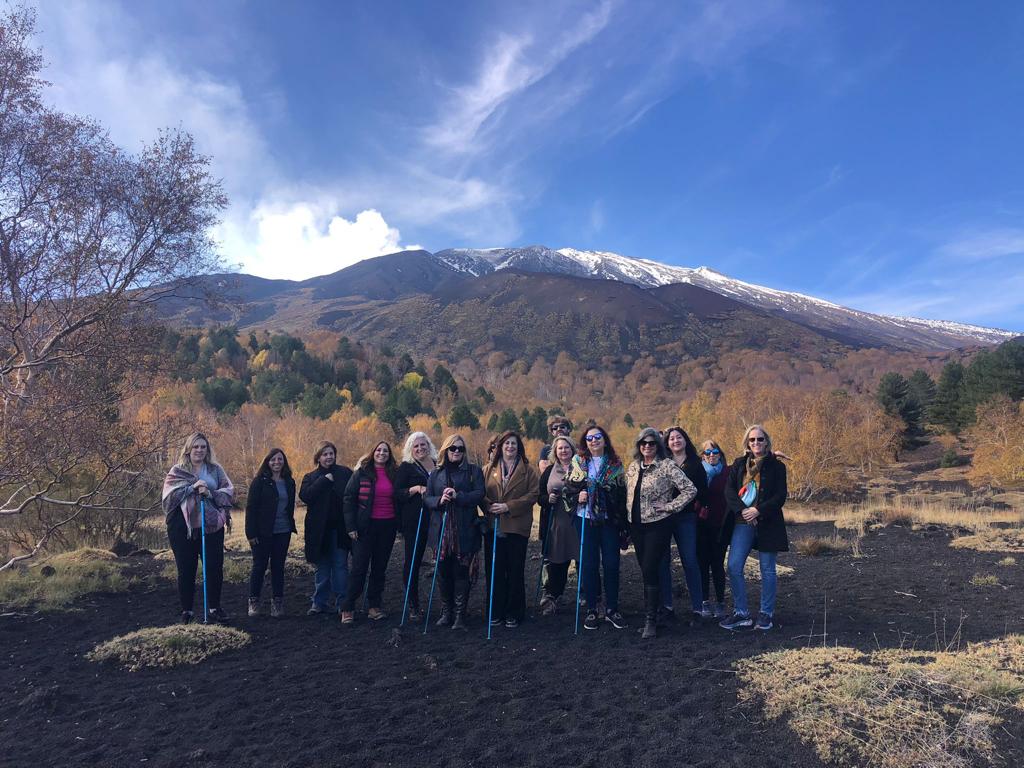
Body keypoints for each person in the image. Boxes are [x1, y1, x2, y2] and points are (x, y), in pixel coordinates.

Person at [626, 428, 697, 638]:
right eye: (644, 443)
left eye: (652, 443)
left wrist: (670, 506)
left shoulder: (666, 465)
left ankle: (650, 621)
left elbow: (690, 489)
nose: (647, 446)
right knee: (647, 569)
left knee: (649, 567)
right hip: (636, 525)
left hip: (657, 524)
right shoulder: (632, 467)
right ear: (639, 445)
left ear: (658, 445)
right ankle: (655, 615)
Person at [720, 425, 789, 632]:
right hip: (742, 522)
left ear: (767, 441)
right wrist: (743, 511)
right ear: (747, 443)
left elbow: (780, 496)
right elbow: (729, 491)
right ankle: (741, 613)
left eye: (760, 439)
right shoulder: (739, 464)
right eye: (752, 440)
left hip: (768, 522)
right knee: (733, 566)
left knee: (767, 569)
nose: (756, 443)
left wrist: (758, 510)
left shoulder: (777, 467)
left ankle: (766, 614)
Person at [161, 432, 235, 623]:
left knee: (214, 568)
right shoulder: (177, 471)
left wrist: (209, 493)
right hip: (182, 528)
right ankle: (187, 611)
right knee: (186, 569)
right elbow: (168, 499)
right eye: (196, 447)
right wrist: (192, 488)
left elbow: (228, 492)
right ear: (188, 449)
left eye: (203, 447)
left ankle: (214, 608)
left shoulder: (215, 470)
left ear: (207, 450)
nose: (200, 450)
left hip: (210, 526)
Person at [565, 424, 628, 631]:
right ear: (585, 442)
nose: (594, 441)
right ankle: (592, 609)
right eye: (590, 438)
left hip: (608, 520)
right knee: (588, 565)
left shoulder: (615, 464)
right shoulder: (577, 462)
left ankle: (612, 609)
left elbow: (621, 495)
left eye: (598, 437)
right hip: (585, 518)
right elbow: (569, 488)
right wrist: (579, 495)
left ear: (604, 439)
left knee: (611, 564)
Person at [424, 434, 485, 630]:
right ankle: (446, 612)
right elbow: (427, 498)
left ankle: (460, 616)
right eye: (453, 448)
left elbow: (479, 494)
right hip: (441, 529)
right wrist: (439, 501)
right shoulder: (436, 473)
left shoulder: (473, 471)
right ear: (445, 451)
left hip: (464, 529)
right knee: (443, 573)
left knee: (461, 573)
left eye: (460, 448)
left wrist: (459, 496)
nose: (457, 451)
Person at [483, 431, 539, 628]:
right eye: (506, 444)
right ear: (500, 447)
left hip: (517, 526)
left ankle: (514, 612)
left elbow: (533, 494)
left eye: (514, 444)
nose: (510, 447)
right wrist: (490, 504)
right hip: (494, 526)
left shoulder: (528, 471)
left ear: (519, 447)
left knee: (515, 571)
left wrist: (509, 506)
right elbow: (480, 492)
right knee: (495, 571)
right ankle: (495, 610)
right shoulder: (488, 469)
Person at [340, 441, 399, 623]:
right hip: (364, 528)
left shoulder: (394, 474)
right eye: (379, 450)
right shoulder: (361, 473)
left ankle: (374, 606)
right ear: (373, 452)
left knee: (379, 569)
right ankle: (348, 607)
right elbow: (349, 499)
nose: (382, 453)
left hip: (387, 526)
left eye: (386, 451)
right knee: (359, 568)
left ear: (389, 455)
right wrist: (351, 527)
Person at [657, 426, 709, 620]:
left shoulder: (696, 463)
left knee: (690, 561)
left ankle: (697, 608)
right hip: (664, 517)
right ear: (667, 443)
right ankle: (667, 606)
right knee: (663, 561)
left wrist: (691, 505)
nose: (675, 441)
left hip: (686, 517)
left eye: (679, 437)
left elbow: (703, 490)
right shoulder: (662, 462)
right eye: (671, 439)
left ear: (686, 440)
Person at [300, 441, 353, 616]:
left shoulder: (345, 473)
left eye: (331, 453)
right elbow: (306, 496)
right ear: (318, 457)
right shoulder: (310, 477)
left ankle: (342, 603)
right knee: (322, 567)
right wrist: (323, 481)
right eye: (325, 454)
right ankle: (319, 602)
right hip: (318, 532)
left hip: (340, 530)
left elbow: (352, 496)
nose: (329, 457)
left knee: (340, 566)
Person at [245, 448, 296, 618]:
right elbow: (251, 508)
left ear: (284, 462)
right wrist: (250, 534)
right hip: (262, 532)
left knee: (278, 567)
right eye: (273, 459)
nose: (277, 462)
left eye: (280, 459)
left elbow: (289, 507)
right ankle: (254, 601)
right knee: (259, 566)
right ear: (267, 461)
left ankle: (277, 602)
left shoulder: (289, 481)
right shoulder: (259, 481)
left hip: (283, 531)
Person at [394, 432, 438, 622]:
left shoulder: (438, 464)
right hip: (415, 519)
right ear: (410, 449)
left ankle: (447, 605)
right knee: (413, 560)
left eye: (423, 445)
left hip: (437, 518)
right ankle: (413, 604)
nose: (420, 449)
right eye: (416, 446)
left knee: (443, 559)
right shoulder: (406, 467)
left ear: (428, 445)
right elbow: (396, 493)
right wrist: (415, 489)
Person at [536, 435, 580, 615]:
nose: (564, 451)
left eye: (567, 447)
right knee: (557, 561)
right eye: (560, 448)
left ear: (572, 449)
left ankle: (589, 596)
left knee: (582, 559)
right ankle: (554, 596)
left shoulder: (581, 468)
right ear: (555, 451)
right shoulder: (548, 471)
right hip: (556, 522)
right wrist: (548, 499)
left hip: (577, 520)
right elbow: (539, 497)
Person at [696, 440, 729, 618]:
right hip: (700, 525)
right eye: (707, 452)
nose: (711, 455)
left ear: (720, 452)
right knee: (702, 564)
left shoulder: (727, 472)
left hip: (719, 525)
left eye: (714, 451)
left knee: (717, 564)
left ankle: (721, 602)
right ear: (702, 455)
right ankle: (704, 601)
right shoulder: (697, 472)